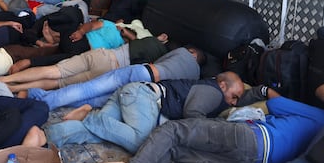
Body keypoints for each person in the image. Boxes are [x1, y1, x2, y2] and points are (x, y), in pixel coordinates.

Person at [128, 85, 324, 163]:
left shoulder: (322, 116)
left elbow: (275, 103)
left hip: (252, 138)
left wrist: (261, 91)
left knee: (173, 129)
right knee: (175, 152)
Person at [46, 72, 246, 154]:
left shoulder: (207, 88)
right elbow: (193, 112)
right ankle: (90, 115)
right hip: (144, 98)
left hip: (133, 93)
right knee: (141, 142)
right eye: (234, 96)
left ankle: (48, 137)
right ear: (222, 85)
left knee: (99, 132)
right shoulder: (213, 92)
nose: (233, 102)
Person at [28, 46, 205, 110]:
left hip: (142, 73)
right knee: (96, 101)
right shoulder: (196, 77)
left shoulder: (182, 52)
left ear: (193, 52)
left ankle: (43, 101)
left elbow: (158, 62)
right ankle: (41, 97)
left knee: (88, 88)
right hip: (145, 89)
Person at [0, 34, 169, 92]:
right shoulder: (158, 61)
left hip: (101, 55)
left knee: (53, 71)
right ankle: (12, 88)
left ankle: (3, 81)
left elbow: (135, 41)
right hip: (107, 71)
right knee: (56, 83)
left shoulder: (148, 40)